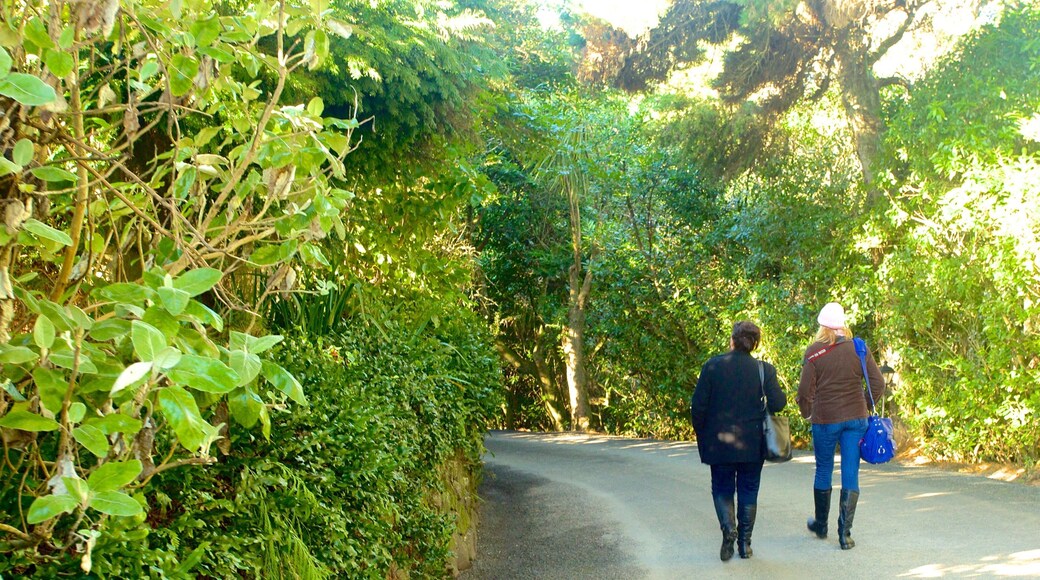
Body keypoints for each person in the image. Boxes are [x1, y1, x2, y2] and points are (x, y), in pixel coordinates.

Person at [690, 321, 787, 561]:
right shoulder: (764, 370)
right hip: (753, 443)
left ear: (732, 340)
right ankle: (745, 544)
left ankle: (728, 530)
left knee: (722, 487)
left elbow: (698, 407)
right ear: (754, 344)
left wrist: (702, 434)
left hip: (719, 442)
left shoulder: (712, 366)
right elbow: (779, 404)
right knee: (749, 489)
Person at [797, 302, 885, 550]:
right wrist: (864, 406)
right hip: (856, 419)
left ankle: (821, 525)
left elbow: (805, 392)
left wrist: (806, 413)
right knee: (850, 472)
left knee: (824, 469)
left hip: (825, 419)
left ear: (823, 326)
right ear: (843, 325)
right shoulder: (859, 348)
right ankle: (845, 535)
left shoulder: (814, 351)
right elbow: (878, 385)